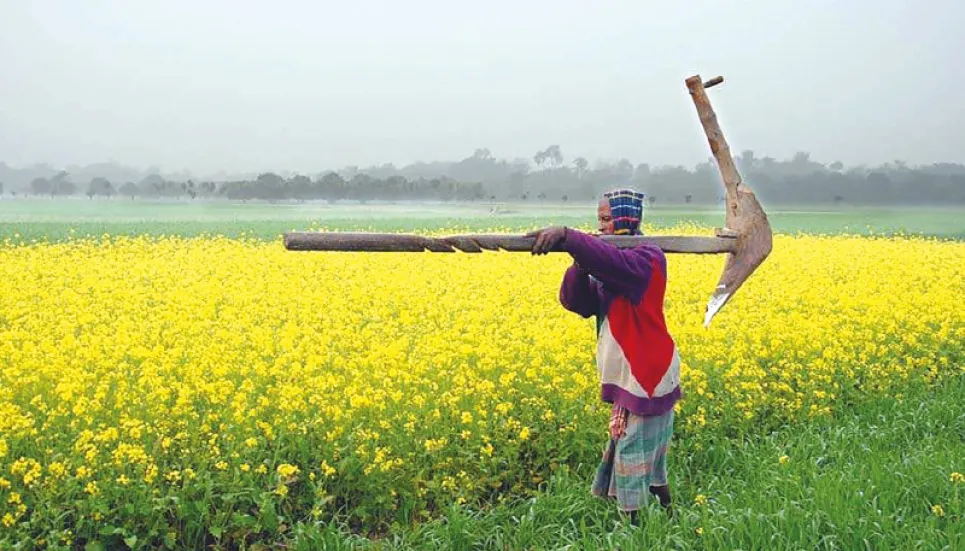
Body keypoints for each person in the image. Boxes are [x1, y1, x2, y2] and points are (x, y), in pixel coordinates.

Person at [525, 188, 681, 522]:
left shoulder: (646, 259)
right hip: (631, 371)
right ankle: (669, 515)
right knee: (641, 451)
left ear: (627, 219)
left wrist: (570, 238)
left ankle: (635, 530)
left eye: (608, 219)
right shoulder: (610, 263)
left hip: (647, 372)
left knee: (635, 455)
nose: (602, 226)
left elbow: (611, 263)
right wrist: (581, 262)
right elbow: (576, 302)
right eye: (599, 219)